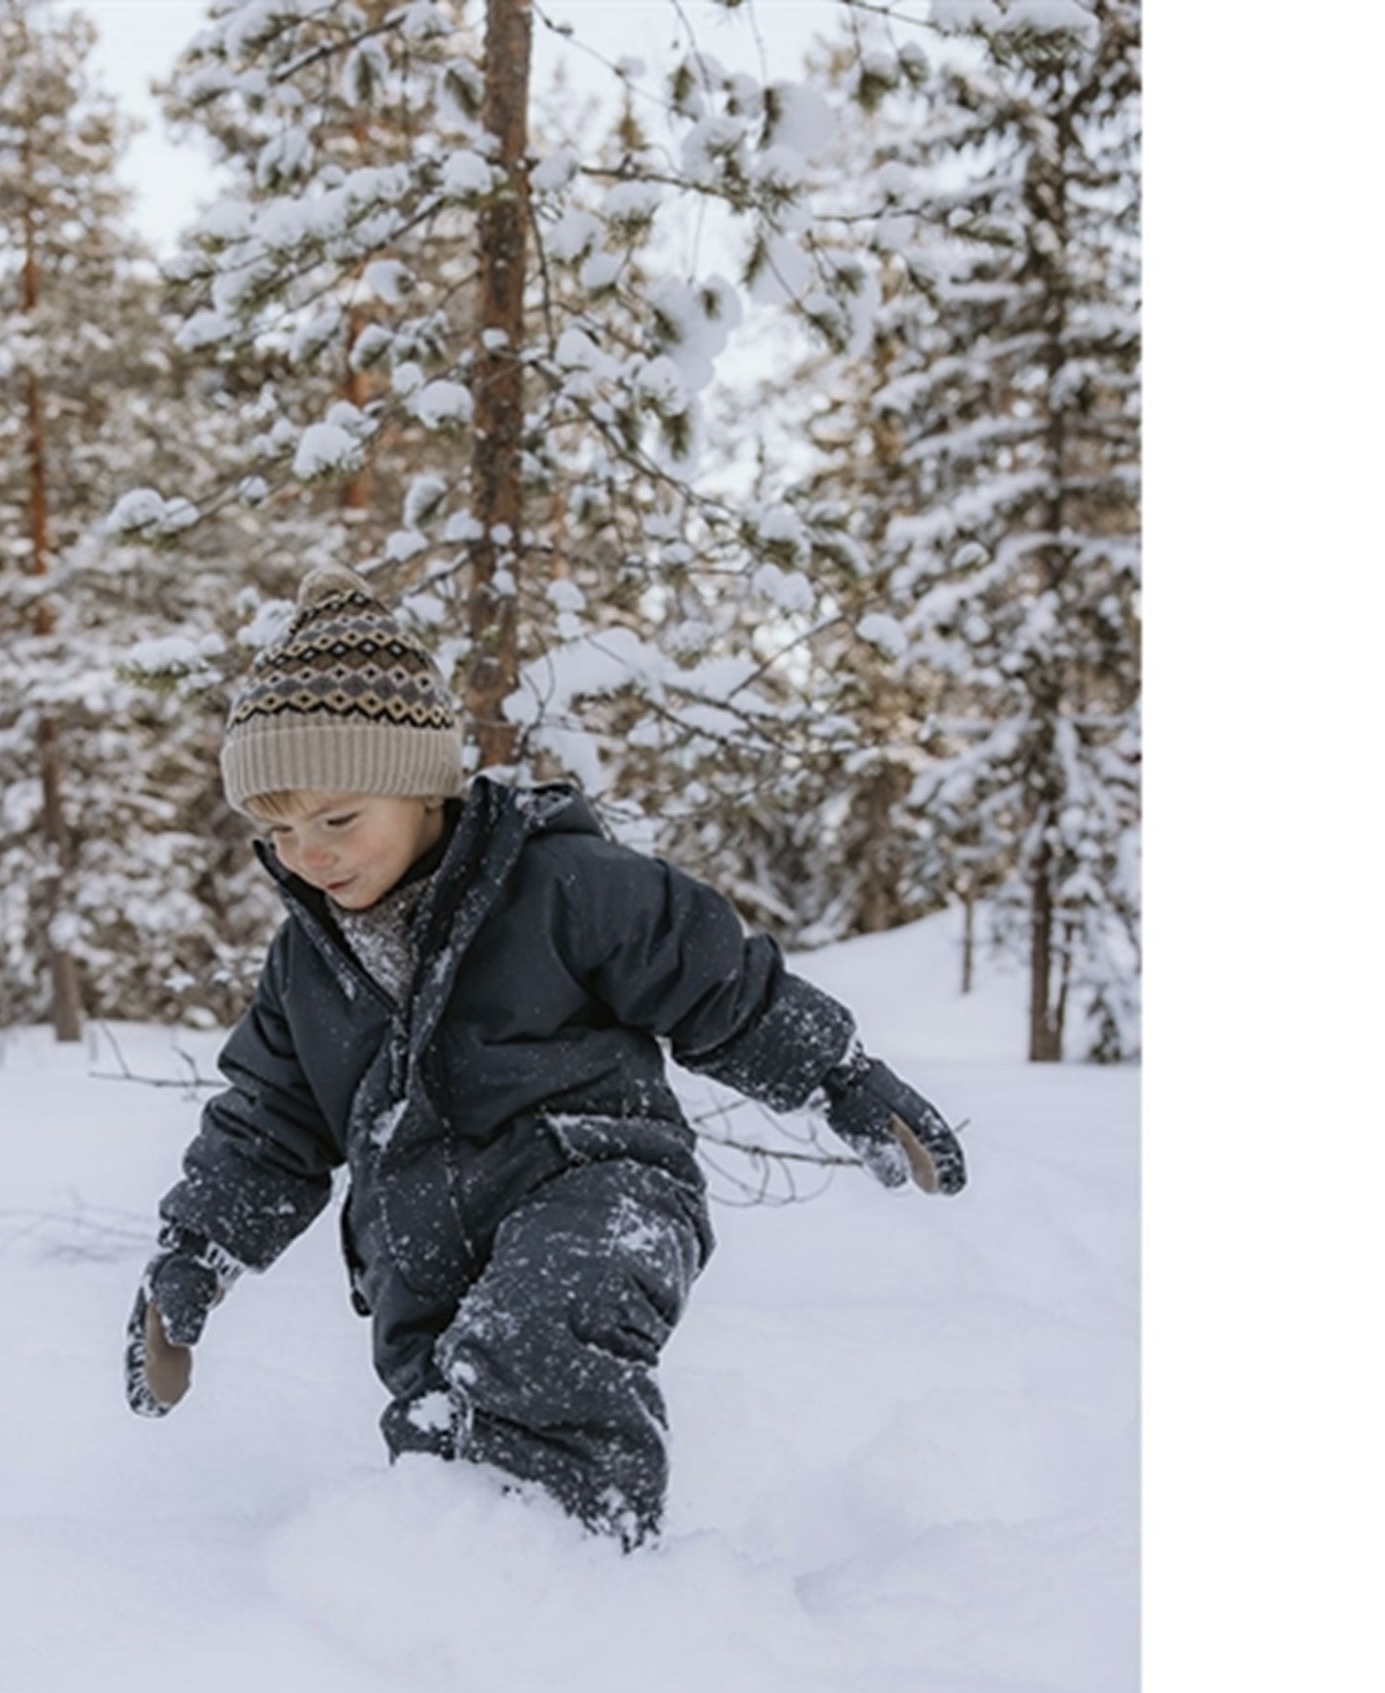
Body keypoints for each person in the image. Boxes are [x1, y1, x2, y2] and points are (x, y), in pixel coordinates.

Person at [125, 565, 966, 1547]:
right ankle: (470, 1624)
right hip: (415, 1255)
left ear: (421, 786)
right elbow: (268, 1123)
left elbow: (718, 983)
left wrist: (838, 1077)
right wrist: (196, 1255)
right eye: (277, 831)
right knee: (441, 1434)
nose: (306, 853)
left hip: (595, 1186)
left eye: (337, 818)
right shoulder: (304, 966)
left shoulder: (561, 883)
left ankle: (585, 1586)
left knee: (538, 1349)